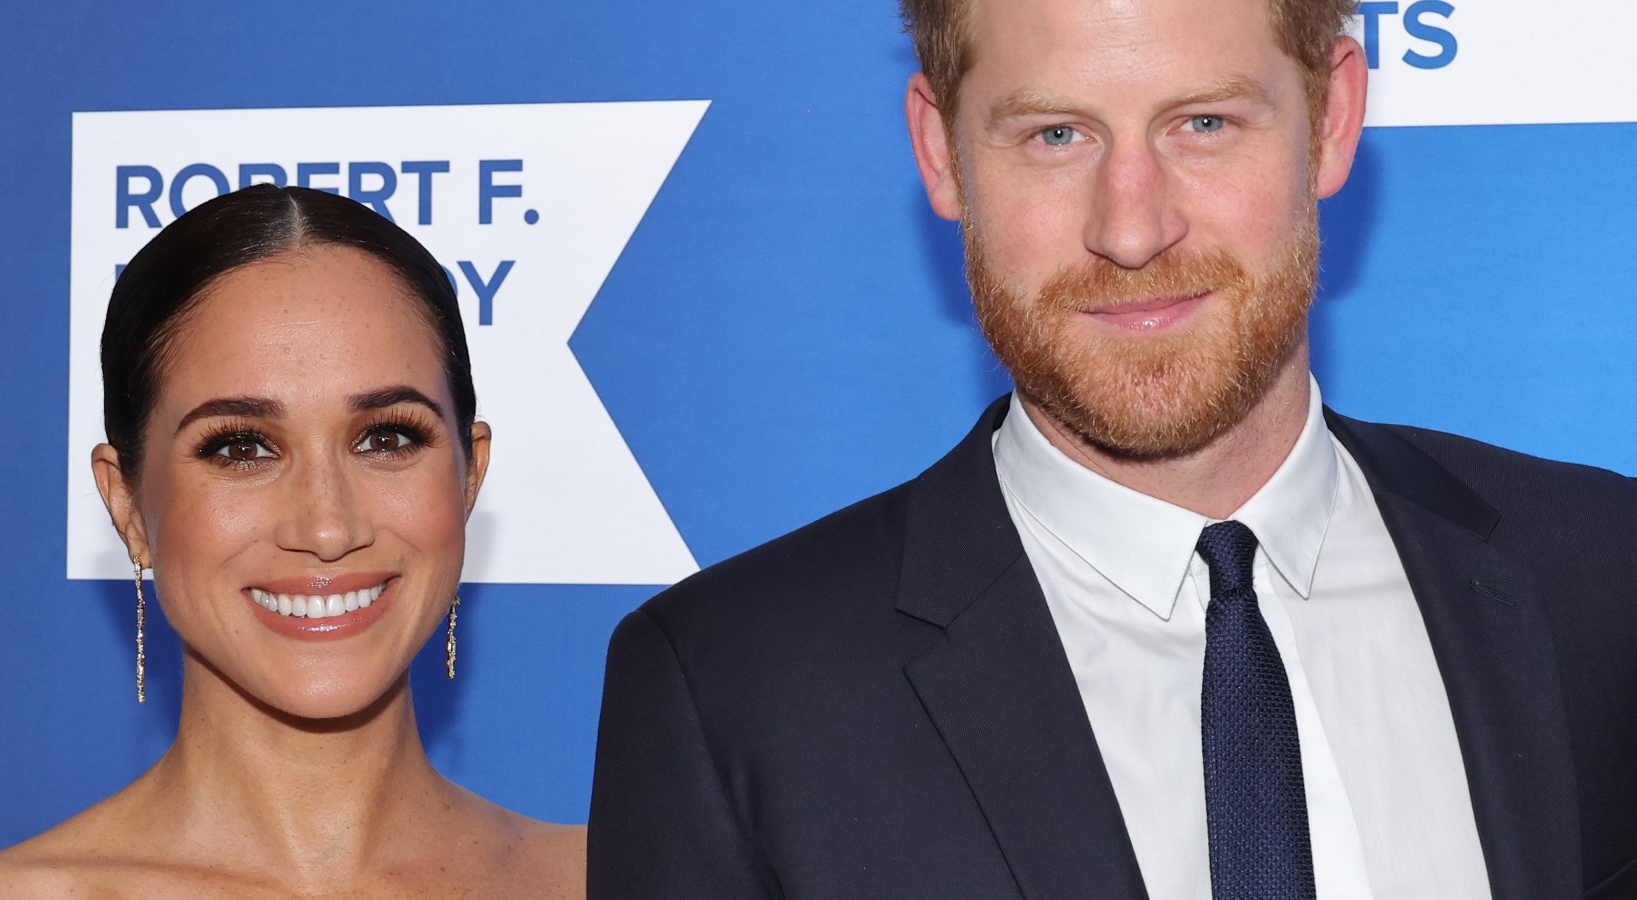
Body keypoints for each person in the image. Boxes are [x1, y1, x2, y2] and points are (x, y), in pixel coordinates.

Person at [588, 0, 1637, 896]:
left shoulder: (1604, 576)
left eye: (1205, 123)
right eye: (1055, 136)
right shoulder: (733, 692)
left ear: (1332, 117)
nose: (1131, 229)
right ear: (940, 150)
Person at [0, 185, 584, 897]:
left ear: (468, 475)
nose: (326, 528)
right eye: (241, 449)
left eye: (385, 438)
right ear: (127, 503)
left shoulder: (640, 872)